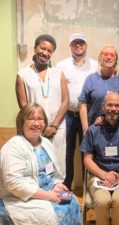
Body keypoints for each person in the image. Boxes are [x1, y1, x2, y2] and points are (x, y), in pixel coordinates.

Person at [0, 103, 82, 225]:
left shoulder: (45, 143)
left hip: (48, 191)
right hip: (20, 198)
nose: (37, 123)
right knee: (56, 212)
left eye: (40, 119)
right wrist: (48, 195)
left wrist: (56, 184)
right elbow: (13, 184)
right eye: (31, 119)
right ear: (21, 122)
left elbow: (53, 173)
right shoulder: (14, 147)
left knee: (72, 201)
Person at [80, 93, 119, 225]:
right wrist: (103, 174)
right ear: (103, 106)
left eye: (117, 105)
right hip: (98, 176)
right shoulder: (93, 130)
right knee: (102, 202)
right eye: (109, 105)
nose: (113, 108)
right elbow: (87, 159)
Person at [15, 34, 69, 177]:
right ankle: (40, 194)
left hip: (58, 127)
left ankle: (58, 192)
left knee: (58, 161)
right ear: (35, 48)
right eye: (42, 48)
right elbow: (24, 106)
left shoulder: (58, 74)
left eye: (49, 51)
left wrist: (54, 126)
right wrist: (40, 126)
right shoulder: (23, 75)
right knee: (36, 161)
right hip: (34, 126)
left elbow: (65, 101)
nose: (45, 53)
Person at [56, 33, 98, 189]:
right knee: (67, 151)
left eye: (81, 43)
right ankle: (67, 184)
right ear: (70, 46)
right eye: (75, 43)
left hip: (88, 116)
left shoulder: (95, 65)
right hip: (68, 115)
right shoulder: (61, 66)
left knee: (87, 151)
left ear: (86, 46)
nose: (78, 46)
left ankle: (89, 186)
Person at [79, 44, 119, 134]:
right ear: (100, 58)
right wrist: (85, 129)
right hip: (95, 127)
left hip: (118, 129)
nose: (109, 57)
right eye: (105, 54)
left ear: (115, 59)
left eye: (112, 55)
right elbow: (83, 104)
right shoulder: (91, 79)